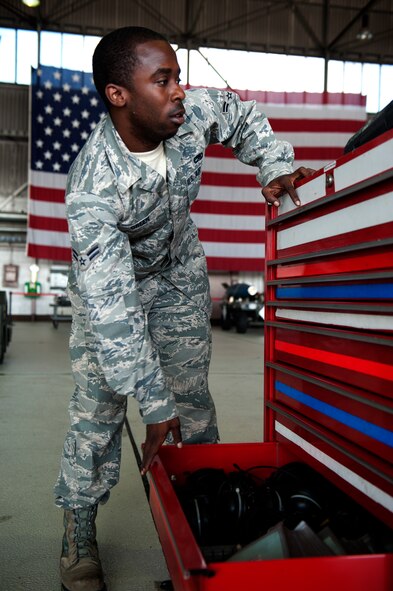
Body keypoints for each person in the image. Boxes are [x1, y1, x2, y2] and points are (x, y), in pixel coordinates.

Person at [54, 25, 313, 591]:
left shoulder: (188, 113)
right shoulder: (94, 185)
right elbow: (114, 312)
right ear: (118, 95)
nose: (179, 90)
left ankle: (212, 508)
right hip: (112, 291)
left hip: (177, 272)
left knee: (191, 405)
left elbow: (242, 118)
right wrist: (149, 400)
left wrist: (273, 166)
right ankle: (79, 524)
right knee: (99, 411)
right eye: (163, 79)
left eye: (178, 76)